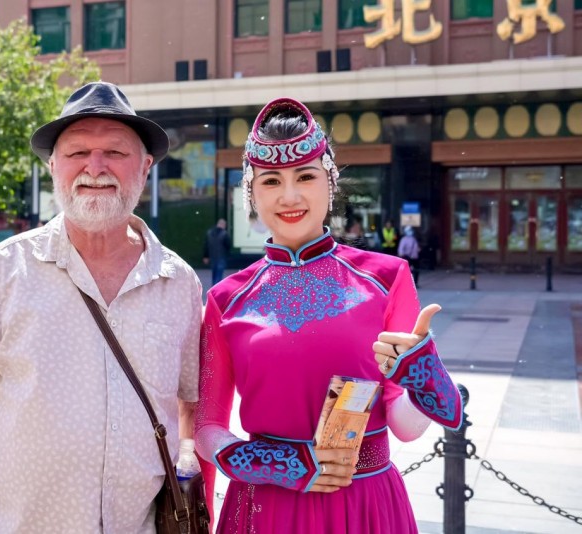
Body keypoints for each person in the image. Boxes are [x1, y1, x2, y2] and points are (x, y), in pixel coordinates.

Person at [0, 82, 203, 533]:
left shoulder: (179, 283)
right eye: (78, 152)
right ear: (53, 166)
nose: (95, 167)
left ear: (145, 167)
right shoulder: (4, 269)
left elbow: (188, 405)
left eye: (115, 152)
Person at [195, 97, 462, 532]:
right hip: (267, 507)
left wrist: (425, 376)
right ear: (251, 193)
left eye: (305, 176)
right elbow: (208, 425)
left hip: (364, 503)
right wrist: (276, 463)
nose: (290, 196)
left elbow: (406, 427)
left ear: (330, 181)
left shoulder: (387, 278)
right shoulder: (226, 299)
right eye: (270, 181)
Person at [202, 218, 231, 286]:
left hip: (212, 256)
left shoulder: (209, 233)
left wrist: (205, 256)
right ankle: (217, 288)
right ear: (223, 225)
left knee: (214, 273)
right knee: (219, 274)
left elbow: (206, 245)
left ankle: (213, 287)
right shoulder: (225, 234)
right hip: (221, 256)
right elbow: (228, 246)